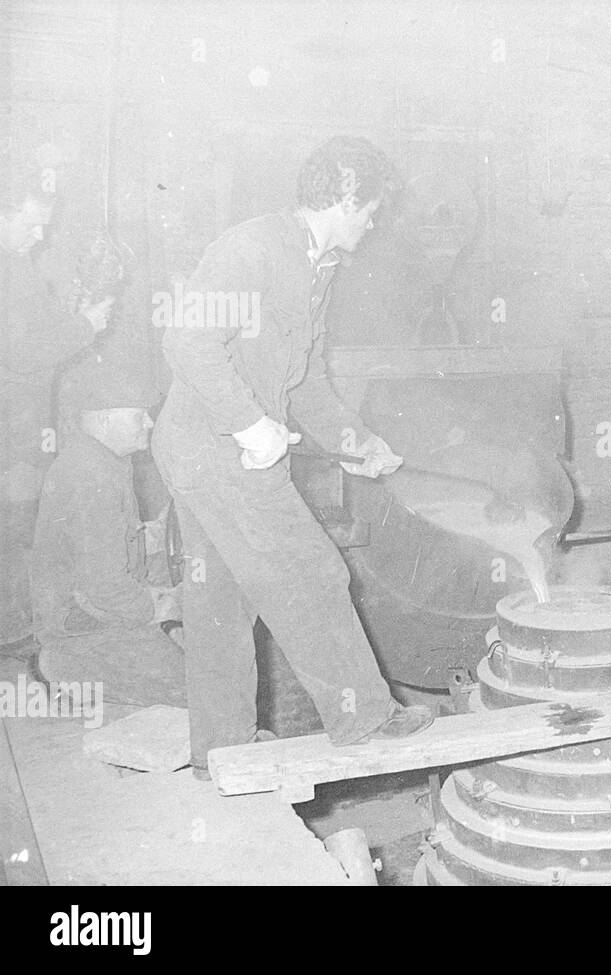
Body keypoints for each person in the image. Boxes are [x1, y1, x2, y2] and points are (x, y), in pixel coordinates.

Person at [151, 136, 432, 777]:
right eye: (373, 208)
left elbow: (303, 380)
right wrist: (252, 426)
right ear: (346, 195)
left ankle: (219, 751)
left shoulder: (318, 268)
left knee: (221, 600)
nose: (375, 221)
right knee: (314, 572)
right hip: (217, 449)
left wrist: (354, 441)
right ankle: (364, 717)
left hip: (209, 454)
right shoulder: (251, 249)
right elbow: (188, 340)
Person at [30, 349, 185, 706]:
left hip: (97, 606)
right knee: (200, 691)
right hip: (83, 623)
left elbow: (117, 548)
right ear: (104, 421)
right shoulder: (91, 477)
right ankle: (63, 667)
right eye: (139, 415)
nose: (148, 423)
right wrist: (155, 610)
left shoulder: (104, 461)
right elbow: (102, 584)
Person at [0, 178, 114, 639]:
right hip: (12, 429)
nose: (41, 237)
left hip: (22, 424)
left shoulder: (18, 266)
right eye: (31, 225)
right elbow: (16, 353)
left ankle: (16, 627)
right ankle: (13, 631)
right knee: (15, 526)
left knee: (20, 525)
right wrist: (83, 327)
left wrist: (72, 317)